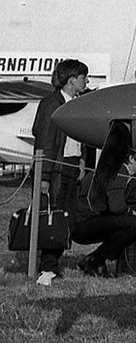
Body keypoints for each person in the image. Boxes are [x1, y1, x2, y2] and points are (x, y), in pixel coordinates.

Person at [30, 58, 91, 285]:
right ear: (72, 80)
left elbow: (78, 136)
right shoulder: (51, 104)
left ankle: (53, 263)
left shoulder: (75, 102)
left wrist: (82, 159)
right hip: (56, 169)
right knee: (53, 218)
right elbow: (44, 140)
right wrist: (44, 176)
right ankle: (47, 267)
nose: (86, 81)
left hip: (72, 166)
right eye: (83, 77)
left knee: (67, 219)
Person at [71, 121, 136, 277]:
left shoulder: (131, 176)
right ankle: (97, 260)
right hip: (83, 223)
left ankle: (94, 259)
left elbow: (132, 202)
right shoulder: (118, 172)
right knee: (133, 223)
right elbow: (116, 206)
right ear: (131, 159)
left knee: (132, 223)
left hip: (98, 220)